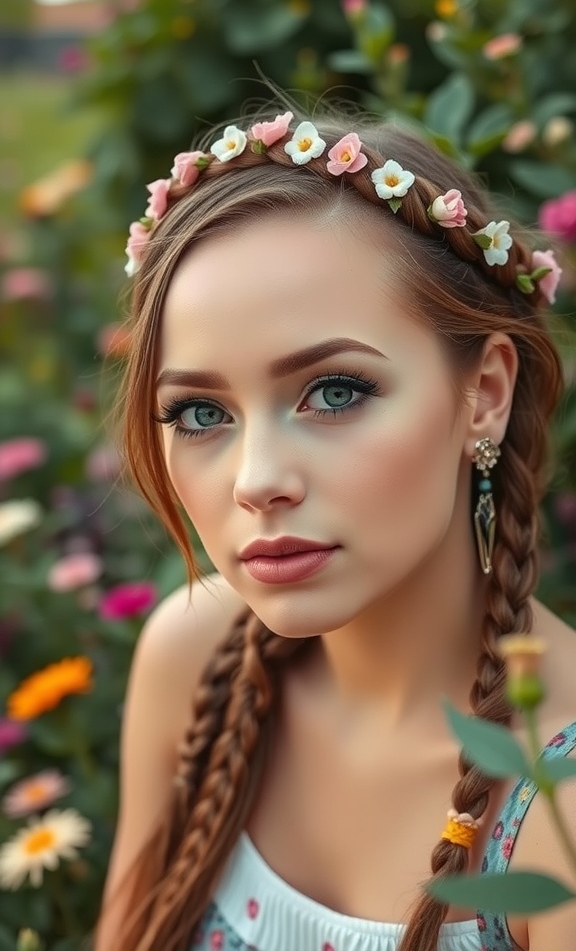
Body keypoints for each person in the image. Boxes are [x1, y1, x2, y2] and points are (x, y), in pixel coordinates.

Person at [94, 106, 576, 951]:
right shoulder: (191, 657)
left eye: (336, 392)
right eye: (201, 412)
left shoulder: (556, 799)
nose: (258, 482)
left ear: (487, 394)